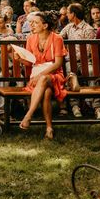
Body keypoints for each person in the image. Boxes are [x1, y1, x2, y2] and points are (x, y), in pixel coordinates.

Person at [15, 11, 67, 140]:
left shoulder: (57, 38)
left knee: (43, 79)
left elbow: (58, 63)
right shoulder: (31, 39)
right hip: (38, 78)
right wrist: (19, 59)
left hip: (54, 75)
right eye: (31, 22)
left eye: (35, 23)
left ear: (45, 25)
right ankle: (49, 128)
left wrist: (40, 75)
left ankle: (28, 115)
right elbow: (29, 62)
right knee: (47, 93)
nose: (31, 25)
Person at [60, 3, 99, 118]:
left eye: (68, 12)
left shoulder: (88, 29)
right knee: (69, 72)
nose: (66, 15)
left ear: (73, 14)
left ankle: (93, 104)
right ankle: (74, 105)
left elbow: (88, 51)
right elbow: (58, 38)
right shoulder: (68, 27)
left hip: (85, 61)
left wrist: (72, 56)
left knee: (92, 72)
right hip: (70, 62)